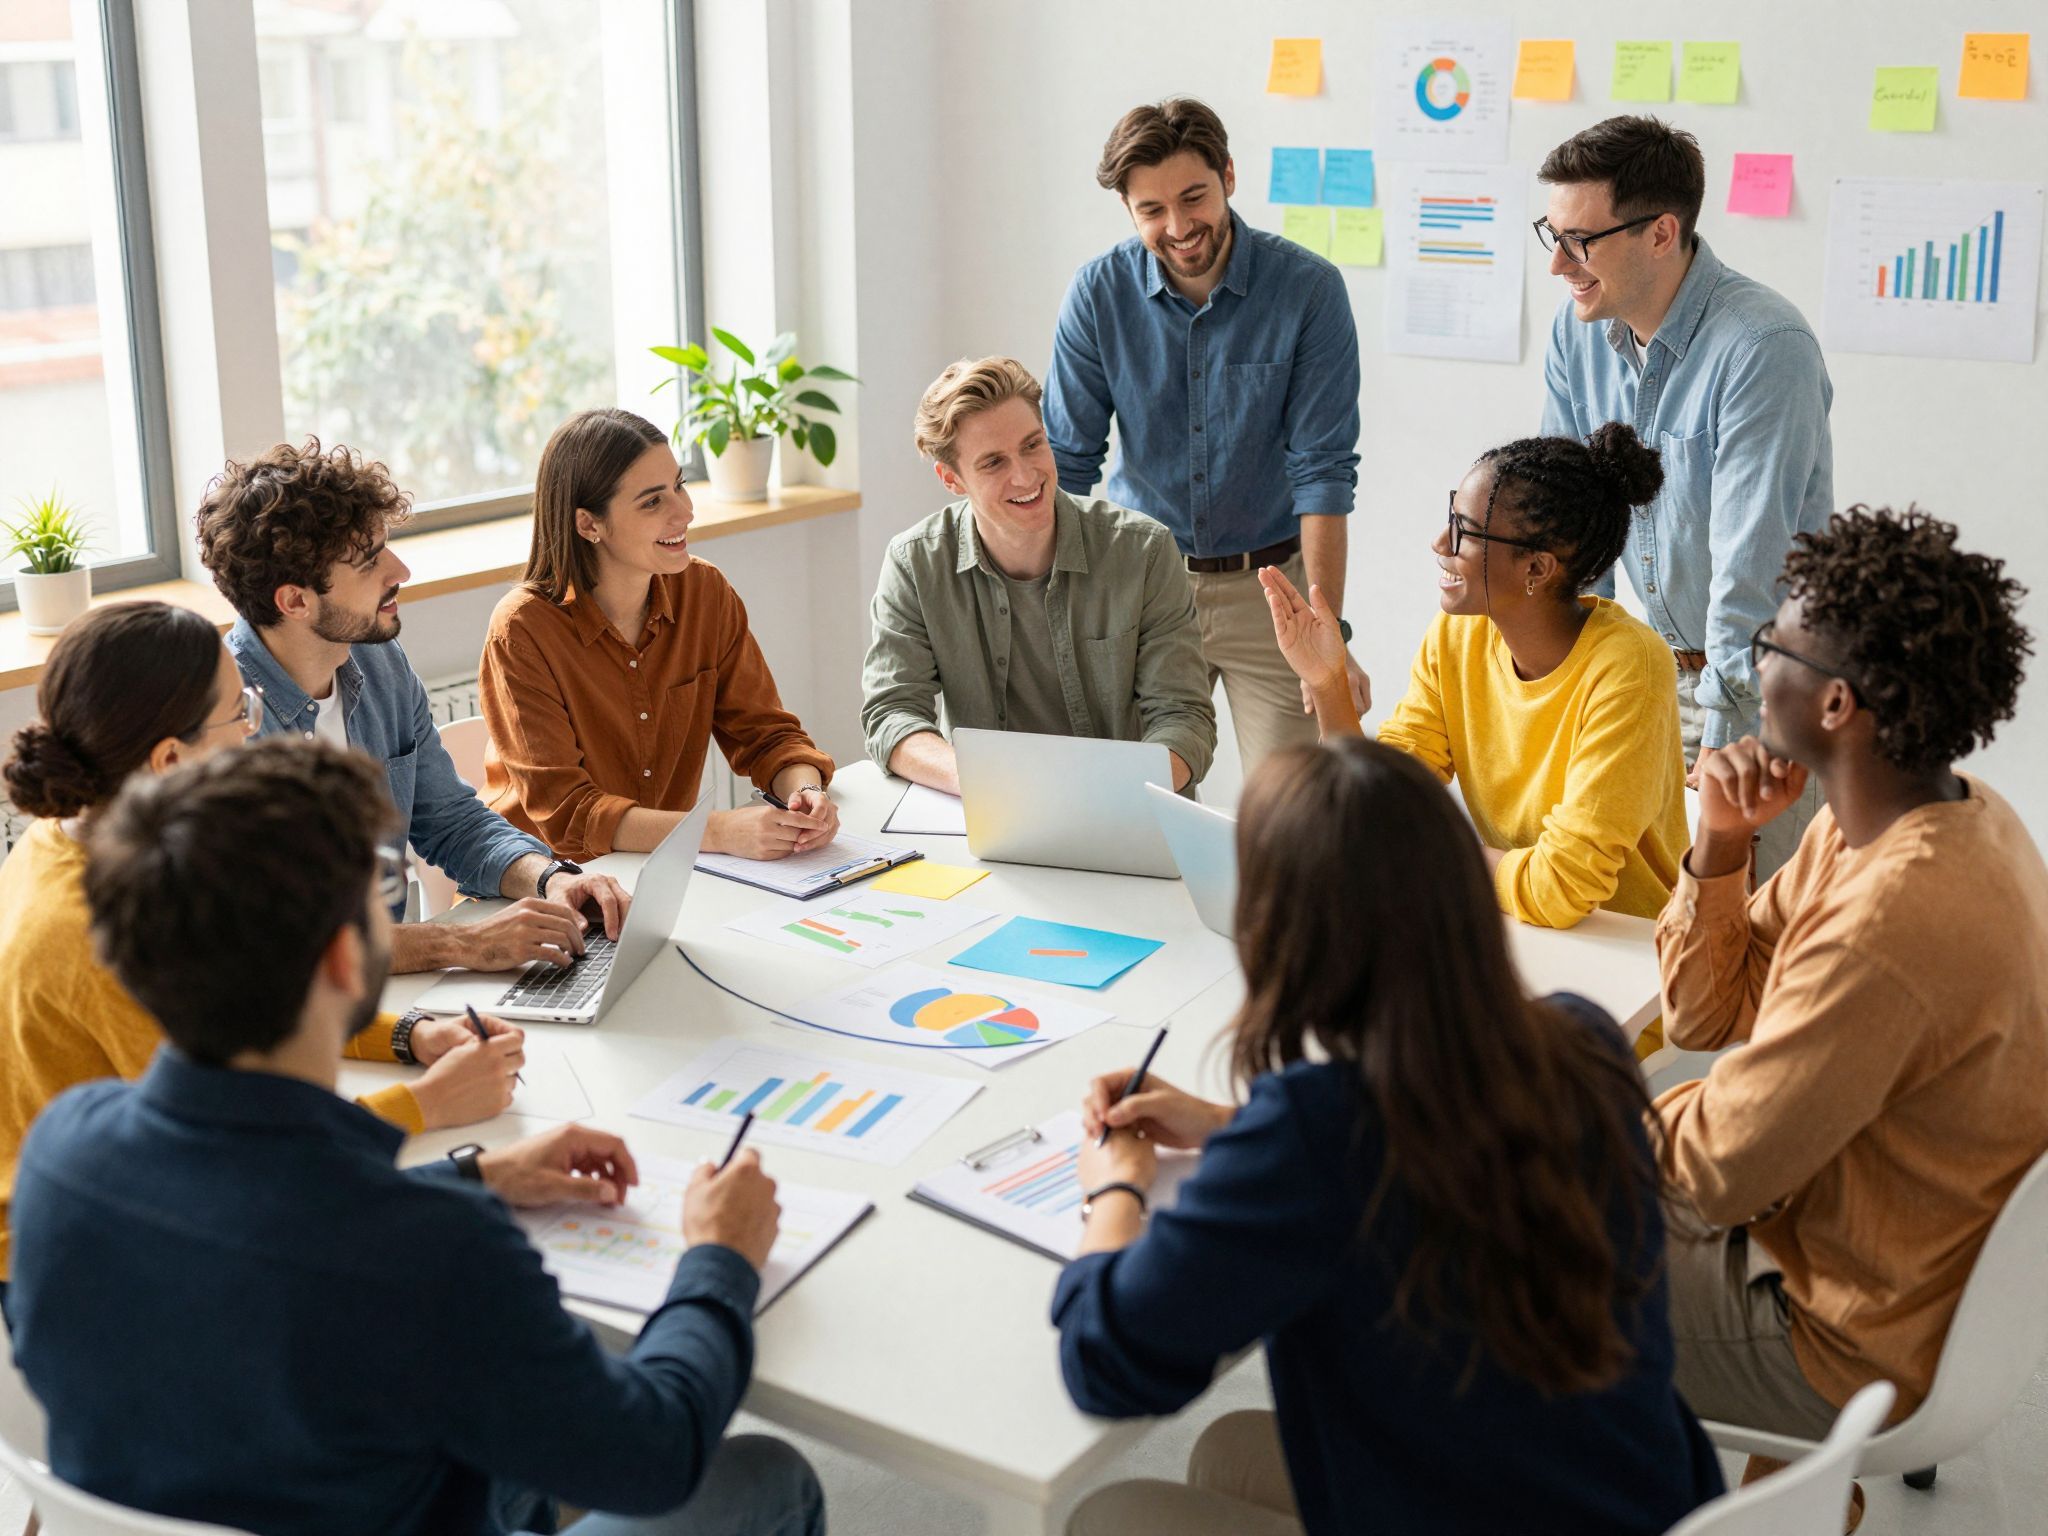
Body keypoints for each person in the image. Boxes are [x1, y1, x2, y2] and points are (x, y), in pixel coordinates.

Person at [7, 737, 824, 1536]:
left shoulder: (60, 1150)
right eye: (382, 883)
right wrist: (720, 1257)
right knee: (765, 1479)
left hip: (218, 1486)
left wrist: (476, 1175)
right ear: (339, 959)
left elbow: (264, 1226)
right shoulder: (427, 1255)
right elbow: (655, 1454)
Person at [1052, 738, 1721, 1536]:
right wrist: (1226, 1126)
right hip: (1640, 1505)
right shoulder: (1580, 1040)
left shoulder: (1316, 1131)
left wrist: (1114, 1189)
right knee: (1231, 1449)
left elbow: (1106, 1360)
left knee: (1113, 1515)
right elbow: (1413, 1146)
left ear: (1282, 936)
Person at [1652, 510, 2048, 1502]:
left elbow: (1708, 1178)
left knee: (1472, 1250)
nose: (1751, 664)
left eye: (1766, 646)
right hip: (1891, 1268)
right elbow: (1707, 1016)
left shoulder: (1892, 919)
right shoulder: (1929, 815)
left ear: (1833, 704)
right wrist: (1719, 842)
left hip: (1839, 1332)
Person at [0, 603, 521, 1301]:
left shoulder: (86, 837)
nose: (254, 729)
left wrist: (408, 1034)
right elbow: (243, 1151)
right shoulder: (93, 931)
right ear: (171, 759)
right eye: (239, 712)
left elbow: (247, 1002)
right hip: (83, 1252)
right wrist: (429, 1104)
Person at [195, 438, 631, 975]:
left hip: (393, 990)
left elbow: (452, 823)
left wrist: (554, 880)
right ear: (295, 601)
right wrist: (463, 946)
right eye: (369, 561)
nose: (400, 571)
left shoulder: (380, 665)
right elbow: (280, 940)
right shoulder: (219, 724)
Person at [1537, 115, 1833, 878]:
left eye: (1581, 241)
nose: (1559, 265)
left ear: (1661, 233)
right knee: (1658, 921)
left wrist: (1728, 742)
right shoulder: (1577, 336)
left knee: (1756, 926)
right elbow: (1569, 527)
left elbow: (1751, 569)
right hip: (1653, 676)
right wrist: (1571, 686)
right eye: (1553, 233)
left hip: (1769, 689)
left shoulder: (1763, 348)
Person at [1044, 97, 1365, 772]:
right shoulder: (1098, 294)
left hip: (1271, 590)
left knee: (1292, 818)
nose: (1180, 226)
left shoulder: (1308, 290)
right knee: (1131, 811)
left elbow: (1323, 474)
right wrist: (1056, 613)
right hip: (1139, 586)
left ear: (1228, 176)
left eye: (1194, 197)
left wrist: (1327, 634)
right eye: (1151, 211)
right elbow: (1068, 466)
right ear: (1130, 212)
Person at [1264, 425, 1687, 929]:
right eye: (1450, 517)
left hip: (1631, 950)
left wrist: (1431, 853)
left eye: (1464, 530)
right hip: (1513, 926)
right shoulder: (1457, 636)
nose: (1440, 542)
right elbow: (1380, 800)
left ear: (1536, 567)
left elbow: (1563, 887)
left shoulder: (1629, 667)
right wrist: (1328, 681)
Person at [479, 408, 838, 862]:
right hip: (542, 887)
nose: (685, 512)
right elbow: (569, 816)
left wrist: (804, 793)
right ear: (589, 524)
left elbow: (767, 736)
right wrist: (719, 831)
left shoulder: (704, 593)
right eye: (653, 502)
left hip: (658, 872)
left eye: (679, 486)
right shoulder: (522, 631)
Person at [863, 356, 1215, 794]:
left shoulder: (1144, 551)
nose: (1026, 475)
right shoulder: (914, 563)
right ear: (952, 479)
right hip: (985, 811)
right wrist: (986, 784)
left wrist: (1115, 797)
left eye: (1032, 445)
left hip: (1126, 807)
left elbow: (1183, 718)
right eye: (993, 462)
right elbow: (892, 714)